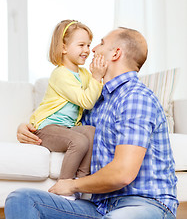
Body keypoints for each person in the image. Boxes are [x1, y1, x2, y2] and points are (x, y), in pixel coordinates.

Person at [5, 27, 178, 219]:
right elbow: (65, 128)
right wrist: (27, 127)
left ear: (116, 53)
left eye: (101, 43)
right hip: (100, 207)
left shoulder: (136, 97)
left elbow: (122, 173)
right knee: (21, 199)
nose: (93, 49)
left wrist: (71, 184)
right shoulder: (96, 102)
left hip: (144, 203)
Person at [17, 20, 107, 198]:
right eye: (81, 45)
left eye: (88, 45)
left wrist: (99, 74)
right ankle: (64, 186)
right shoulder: (60, 74)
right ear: (64, 47)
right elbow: (86, 100)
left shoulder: (83, 74)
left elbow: (97, 91)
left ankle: (82, 184)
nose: (87, 50)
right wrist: (97, 77)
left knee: (91, 132)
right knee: (79, 141)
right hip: (46, 128)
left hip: (67, 128)